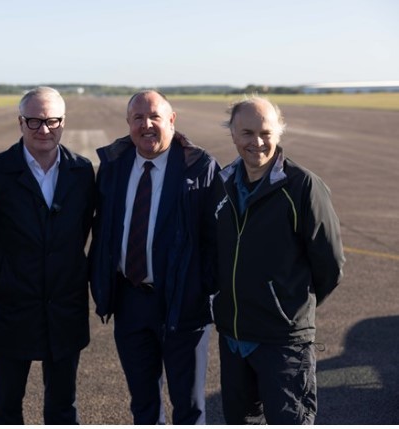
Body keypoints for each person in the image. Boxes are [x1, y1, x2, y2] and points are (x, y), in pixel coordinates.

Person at [212, 95, 345, 424]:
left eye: (265, 133)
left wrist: (287, 306)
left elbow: (330, 266)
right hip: (233, 337)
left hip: (282, 343)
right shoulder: (222, 183)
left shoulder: (302, 187)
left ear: (279, 134)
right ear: (232, 133)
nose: (256, 142)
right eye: (246, 133)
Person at [90, 90, 220, 424]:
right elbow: (103, 228)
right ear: (128, 123)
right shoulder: (114, 166)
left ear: (172, 120)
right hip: (131, 302)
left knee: (189, 406)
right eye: (138, 118)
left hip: (183, 305)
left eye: (155, 117)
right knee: (143, 404)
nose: (146, 125)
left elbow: (215, 240)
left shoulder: (199, 167)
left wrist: (199, 288)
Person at [0, 86, 95, 424]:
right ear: (20, 122)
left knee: (62, 406)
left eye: (52, 121)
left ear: (63, 123)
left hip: (64, 308)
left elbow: (81, 230)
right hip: (13, 307)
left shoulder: (82, 171)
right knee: (6, 405)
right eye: (34, 121)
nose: (44, 129)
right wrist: (4, 276)